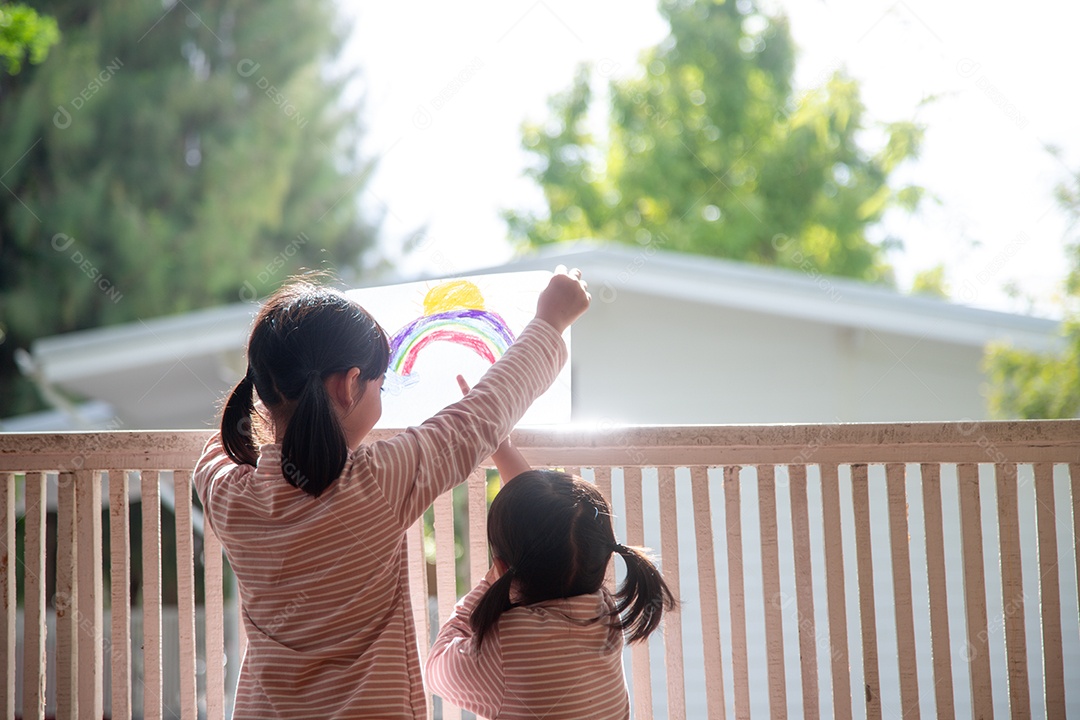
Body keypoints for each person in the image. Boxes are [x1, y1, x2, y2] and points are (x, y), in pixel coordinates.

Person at [192, 267, 589, 719]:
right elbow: (482, 416)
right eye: (380, 386)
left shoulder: (227, 494)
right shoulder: (380, 481)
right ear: (347, 385)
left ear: (264, 392)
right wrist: (549, 322)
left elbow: (214, 452)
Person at [424, 435, 677, 720]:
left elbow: (436, 669)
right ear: (603, 559)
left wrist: (488, 584)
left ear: (503, 567)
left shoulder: (507, 641)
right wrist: (501, 445)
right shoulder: (603, 611)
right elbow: (545, 523)